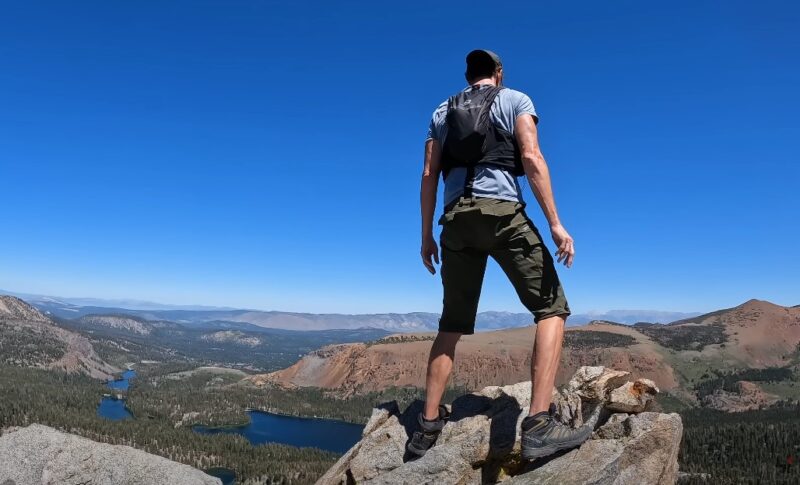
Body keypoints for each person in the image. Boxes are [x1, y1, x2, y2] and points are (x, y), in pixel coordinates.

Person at [407, 49, 592, 460]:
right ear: (499, 73)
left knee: (451, 325)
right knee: (550, 310)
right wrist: (556, 224)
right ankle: (540, 425)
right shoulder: (515, 100)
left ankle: (427, 426)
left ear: (468, 75)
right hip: (503, 214)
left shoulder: (441, 111)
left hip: (455, 221)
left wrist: (426, 236)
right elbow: (531, 156)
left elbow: (428, 175)